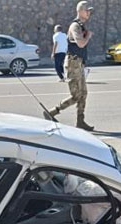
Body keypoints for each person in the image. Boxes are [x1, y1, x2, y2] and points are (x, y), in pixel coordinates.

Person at [43, 1, 95, 131]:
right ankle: (52, 112)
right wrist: (88, 37)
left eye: (90, 11)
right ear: (80, 11)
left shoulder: (81, 26)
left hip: (79, 63)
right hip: (72, 64)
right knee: (76, 95)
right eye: (87, 10)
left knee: (83, 93)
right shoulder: (75, 26)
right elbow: (81, 44)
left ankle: (80, 120)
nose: (89, 13)